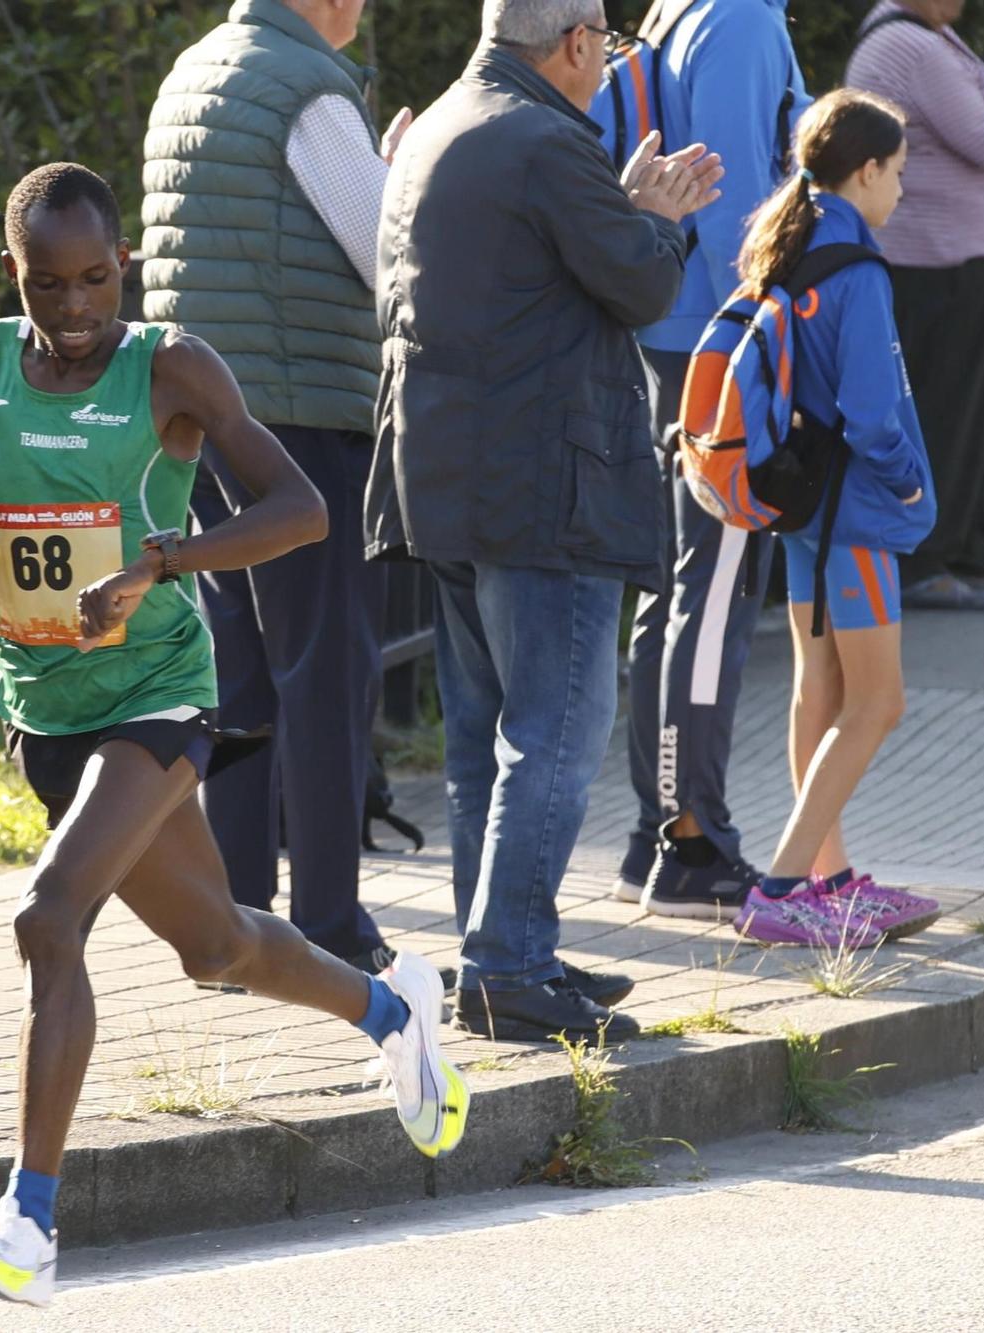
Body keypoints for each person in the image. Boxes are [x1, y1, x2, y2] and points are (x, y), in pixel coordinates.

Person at [0, 164, 466, 1308]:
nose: (72, 307)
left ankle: (29, 1224)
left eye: (94, 279)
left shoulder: (169, 366)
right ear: (10, 274)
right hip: (43, 707)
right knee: (214, 947)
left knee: (47, 915)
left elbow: (300, 508)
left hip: (158, 694)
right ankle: (391, 1011)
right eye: (46, 283)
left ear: (126, 266)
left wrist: (162, 557)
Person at [367, 0, 723, 1041]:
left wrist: (614, 209)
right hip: (542, 490)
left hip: (443, 481)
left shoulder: (446, 120)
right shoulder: (546, 141)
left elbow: (525, 275)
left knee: (484, 738)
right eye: (607, 47)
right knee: (554, 737)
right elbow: (646, 284)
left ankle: (503, 943)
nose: (610, 65)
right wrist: (652, 213)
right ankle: (508, 961)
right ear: (573, 43)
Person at [141, 0, 412, 978]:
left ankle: (235, 915)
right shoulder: (307, 86)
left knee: (240, 678)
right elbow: (386, 252)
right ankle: (330, 928)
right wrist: (403, 179)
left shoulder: (195, 72)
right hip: (300, 419)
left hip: (203, 419)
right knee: (326, 674)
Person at [688, 89, 947, 948]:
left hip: (803, 509)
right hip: (860, 514)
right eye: (898, 175)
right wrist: (912, 484)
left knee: (822, 689)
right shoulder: (858, 271)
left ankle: (830, 878)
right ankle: (786, 885)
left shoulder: (789, 249)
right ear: (866, 170)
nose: (901, 192)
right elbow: (876, 410)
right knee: (879, 700)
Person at [593, 0, 817, 921]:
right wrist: (763, 342)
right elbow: (738, 215)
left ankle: (661, 834)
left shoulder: (688, 12)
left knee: (685, 588)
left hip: (680, 338)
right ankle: (690, 845)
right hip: (719, 347)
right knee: (711, 593)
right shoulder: (741, 21)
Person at [847, 0, 984, 612]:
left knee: (972, 414)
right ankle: (925, 561)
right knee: (944, 412)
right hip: (936, 259)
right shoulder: (911, 46)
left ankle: (971, 552)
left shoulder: (932, 38)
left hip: (964, 254)